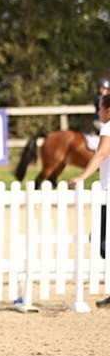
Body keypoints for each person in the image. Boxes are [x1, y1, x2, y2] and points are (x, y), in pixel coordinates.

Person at [73, 94, 110, 307]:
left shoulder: (108, 128)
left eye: (100, 109)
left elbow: (102, 153)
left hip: (109, 193)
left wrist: (83, 176)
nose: (98, 112)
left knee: (101, 240)